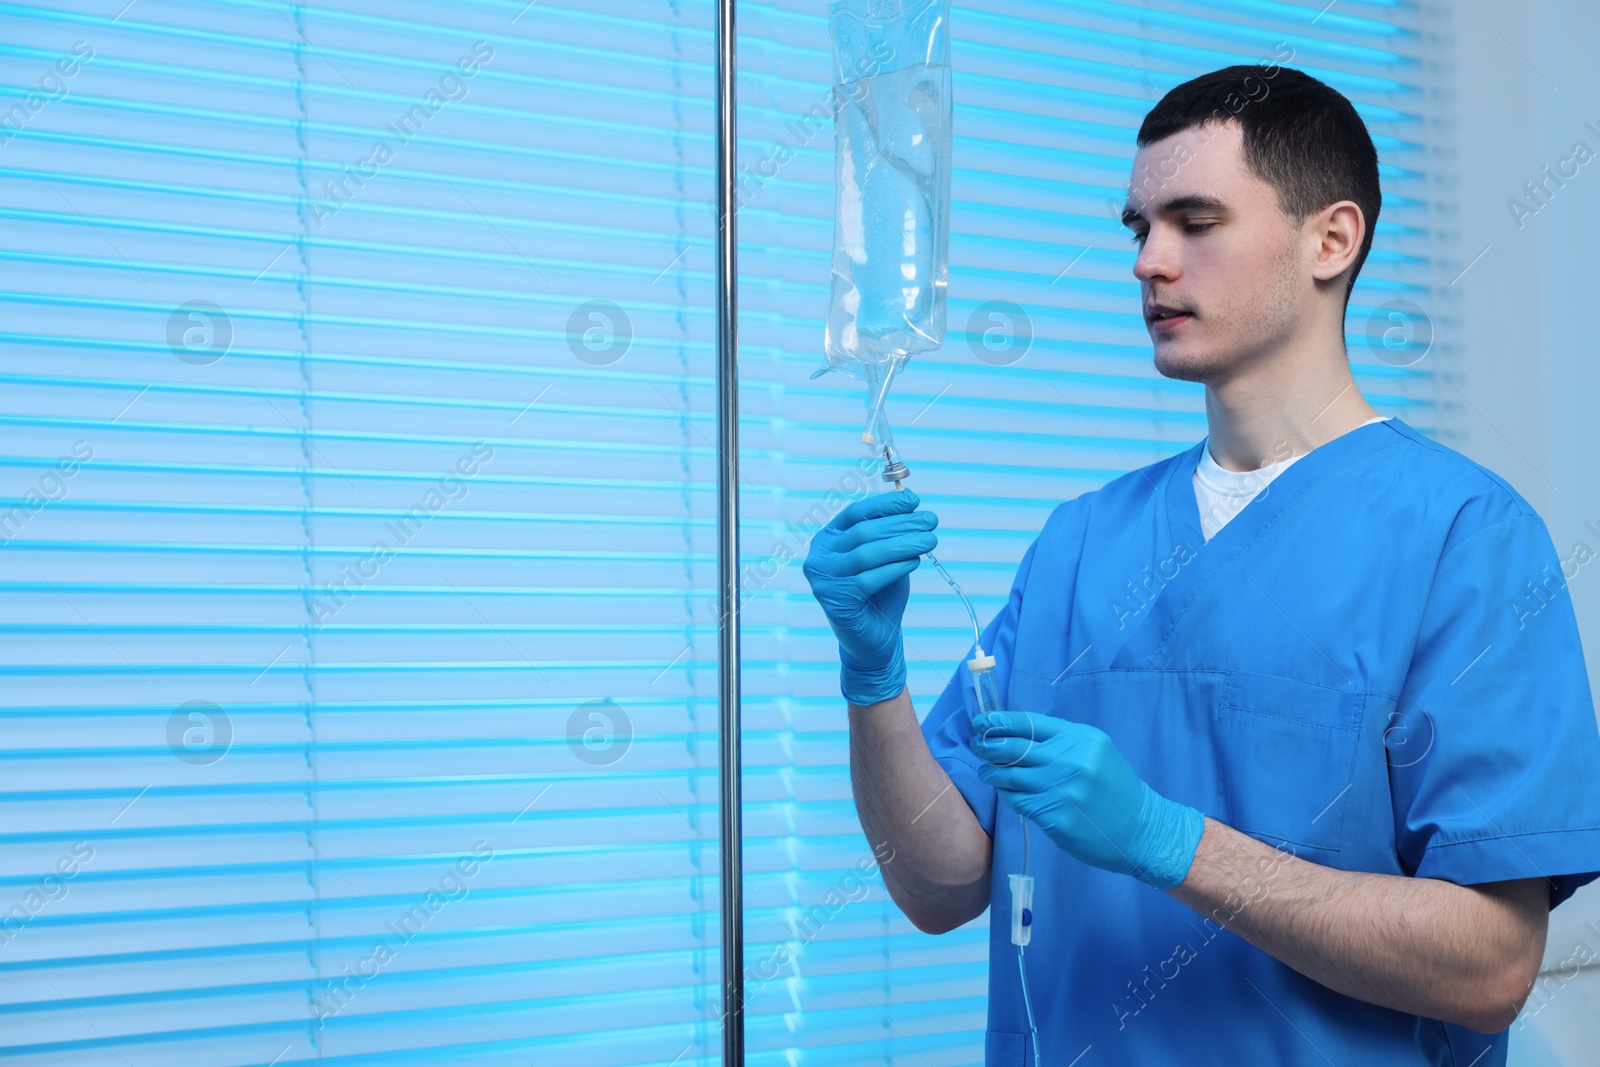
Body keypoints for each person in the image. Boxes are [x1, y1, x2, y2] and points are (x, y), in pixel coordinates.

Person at [802, 66, 1600, 1066]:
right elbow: (940, 884)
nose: (1148, 262)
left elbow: (1489, 966)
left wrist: (1169, 840)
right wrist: (872, 673)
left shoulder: (1462, 537)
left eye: (1194, 221)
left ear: (1332, 239)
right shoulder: (1080, 542)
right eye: (1139, 227)